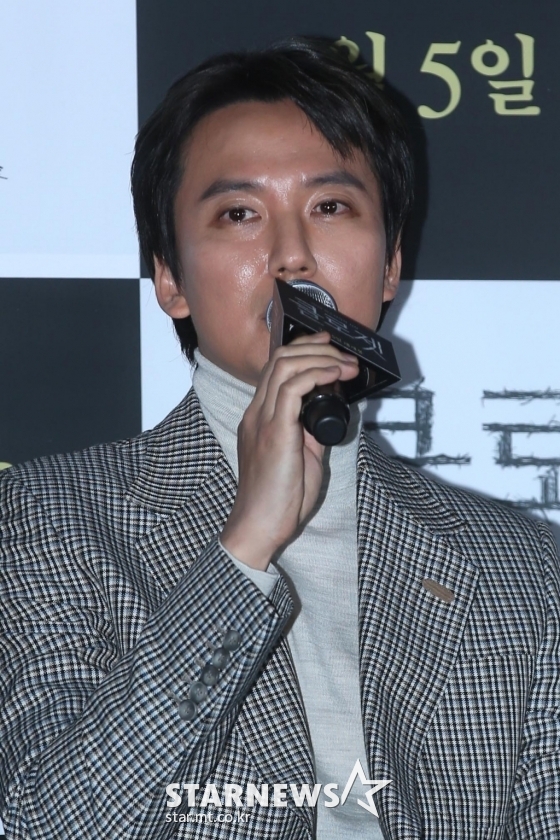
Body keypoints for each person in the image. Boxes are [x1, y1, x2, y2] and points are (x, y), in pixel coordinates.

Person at [1, 37, 559, 840]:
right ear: (169, 277)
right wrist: (245, 548)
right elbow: (44, 824)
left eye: (331, 207)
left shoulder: (521, 569)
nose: (292, 256)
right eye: (240, 214)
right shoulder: (50, 516)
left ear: (390, 264)